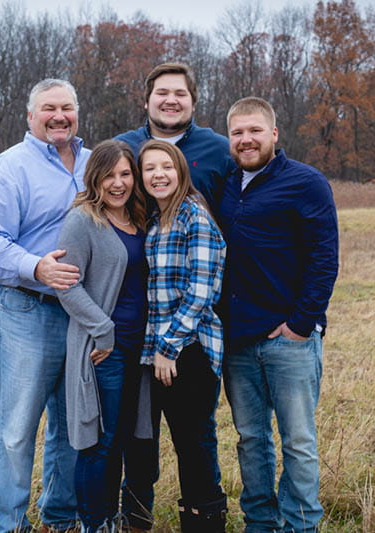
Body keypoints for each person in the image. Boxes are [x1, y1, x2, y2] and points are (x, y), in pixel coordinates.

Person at [0, 78, 90, 533]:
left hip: (81, 314)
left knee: (71, 426)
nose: (59, 116)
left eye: (67, 107)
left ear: (78, 111)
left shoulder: (94, 163)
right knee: (18, 428)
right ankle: (10, 524)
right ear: (30, 116)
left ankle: (60, 518)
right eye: (48, 108)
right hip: (25, 309)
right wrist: (36, 267)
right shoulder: (10, 167)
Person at [217, 97, 339, 533]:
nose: (245, 140)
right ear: (229, 139)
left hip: (288, 338)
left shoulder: (306, 182)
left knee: (298, 441)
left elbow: (324, 259)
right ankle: (260, 522)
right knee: (251, 440)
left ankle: (301, 524)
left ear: (273, 134)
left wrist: (301, 325)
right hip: (237, 339)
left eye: (254, 131)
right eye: (237, 133)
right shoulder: (226, 184)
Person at [123, 139, 228, 532]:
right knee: (143, 445)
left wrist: (169, 348)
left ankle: (205, 525)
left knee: (193, 447)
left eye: (165, 166)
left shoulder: (192, 217)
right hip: (155, 355)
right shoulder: (154, 219)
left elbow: (200, 293)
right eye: (149, 169)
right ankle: (133, 519)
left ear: (181, 169)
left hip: (190, 351)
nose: (158, 175)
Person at [54, 140, 148, 533]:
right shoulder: (83, 220)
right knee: (99, 443)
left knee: (127, 439)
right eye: (109, 175)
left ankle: (114, 517)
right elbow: (66, 285)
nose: (118, 183)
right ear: (95, 178)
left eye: (125, 174)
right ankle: (94, 523)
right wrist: (104, 330)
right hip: (104, 350)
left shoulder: (140, 217)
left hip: (140, 348)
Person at [115, 62, 235, 208]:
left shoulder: (221, 150)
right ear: (146, 101)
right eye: (162, 93)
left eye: (180, 94)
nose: (171, 101)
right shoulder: (120, 148)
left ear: (194, 104)